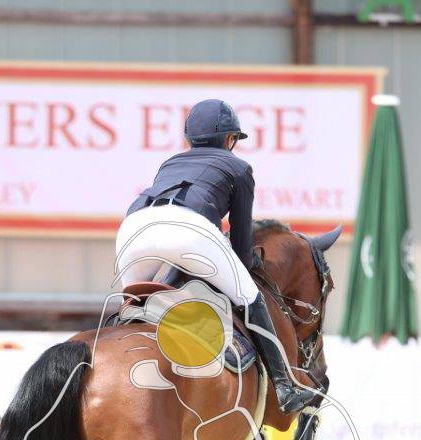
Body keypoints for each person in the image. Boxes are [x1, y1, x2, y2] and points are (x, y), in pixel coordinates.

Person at [117, 98, 317, 413]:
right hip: (189, 230)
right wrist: (247, 263)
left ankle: (109, 350)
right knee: (250, 297)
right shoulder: (239, 167)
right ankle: (284, 387)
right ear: (230, 139)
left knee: (132, 305)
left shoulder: (170, 163)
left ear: (189, 139)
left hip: (133, 230)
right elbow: (241, 242)